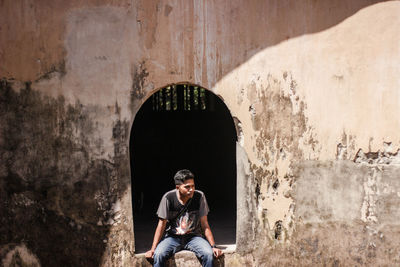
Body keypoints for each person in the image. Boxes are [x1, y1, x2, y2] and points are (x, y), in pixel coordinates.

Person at [145, 169, 223, 267]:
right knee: (159, 255)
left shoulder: (199, 196)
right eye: (187, 187)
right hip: (172, 237)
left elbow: (205, 224)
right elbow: (161, 225)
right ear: (178, 187)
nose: (191, 189)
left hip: (194, 237)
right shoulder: (168, 198)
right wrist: (153, 249)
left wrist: (213, 246)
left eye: (193, 186)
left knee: (208, 254)